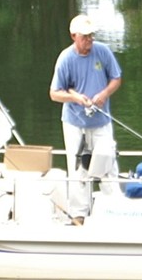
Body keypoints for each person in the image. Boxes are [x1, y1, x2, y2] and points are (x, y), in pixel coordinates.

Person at [50, 12, 122, 186]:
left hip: (101, 120)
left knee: (108, 163)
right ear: (74, 36)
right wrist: (76, 99)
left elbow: (116, 78)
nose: (89, 39)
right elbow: (54, 94)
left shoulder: (102, 51)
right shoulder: (65, 59)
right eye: (85, 36)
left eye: (91, 35)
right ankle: (79, 212)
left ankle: (112, 204)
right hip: (74, 123)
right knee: (77, 170)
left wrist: (104, 94)